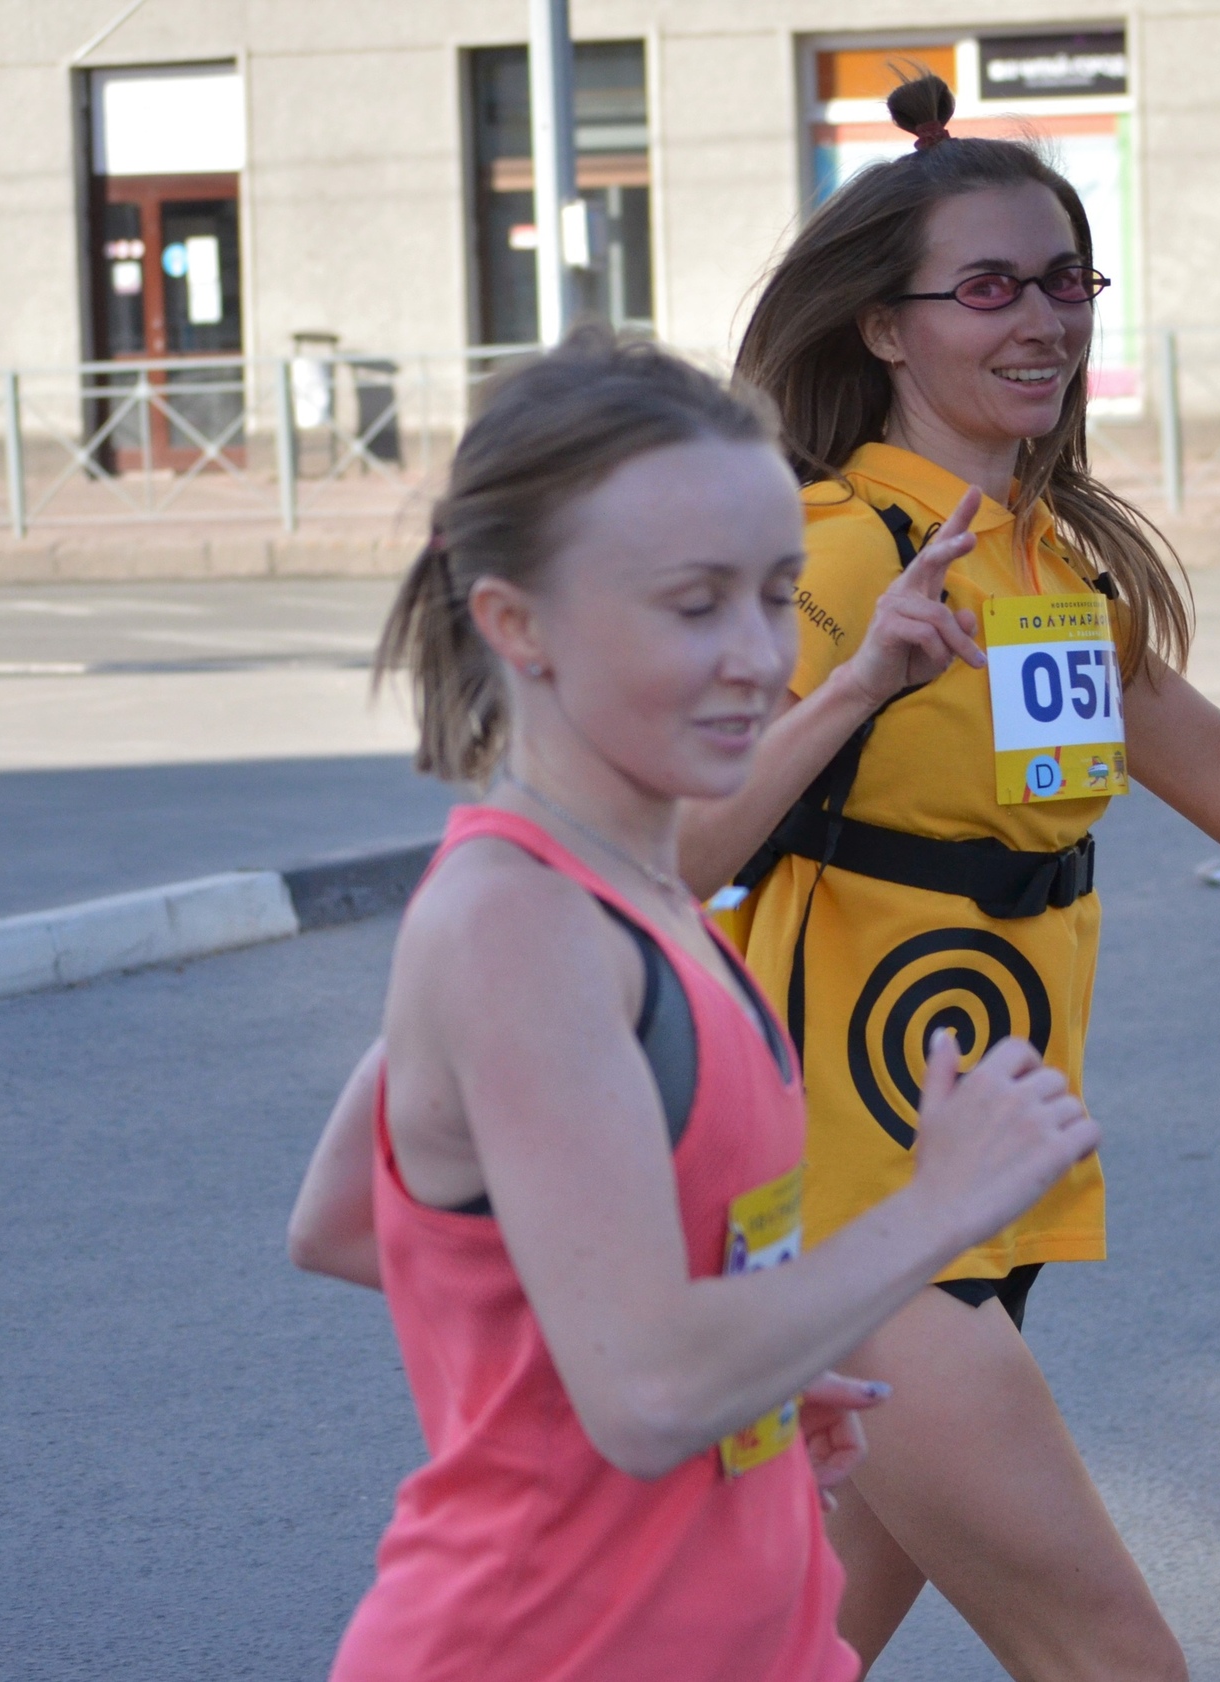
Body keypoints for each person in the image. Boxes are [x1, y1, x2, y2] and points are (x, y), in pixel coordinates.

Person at [670, 71, 1220, 1680]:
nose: (1043, 319)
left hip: (981, 1173)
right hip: (848, 1195)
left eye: (1068, 280)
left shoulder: (1046, 562)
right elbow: (668, 857)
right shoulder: (833, 546)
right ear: (881, 328)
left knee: (788, 1653)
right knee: (1116, 1656)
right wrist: (855, 680)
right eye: (989, 285)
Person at [286, 332, 1100, 1682]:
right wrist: (934, 1208)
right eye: (692, 603)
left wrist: (757, 1372)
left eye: (776, 594)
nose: (752, 653)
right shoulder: (520, 922)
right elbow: (651, 1384)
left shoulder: (637, 887)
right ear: (516, 623)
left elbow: (349, 1214)